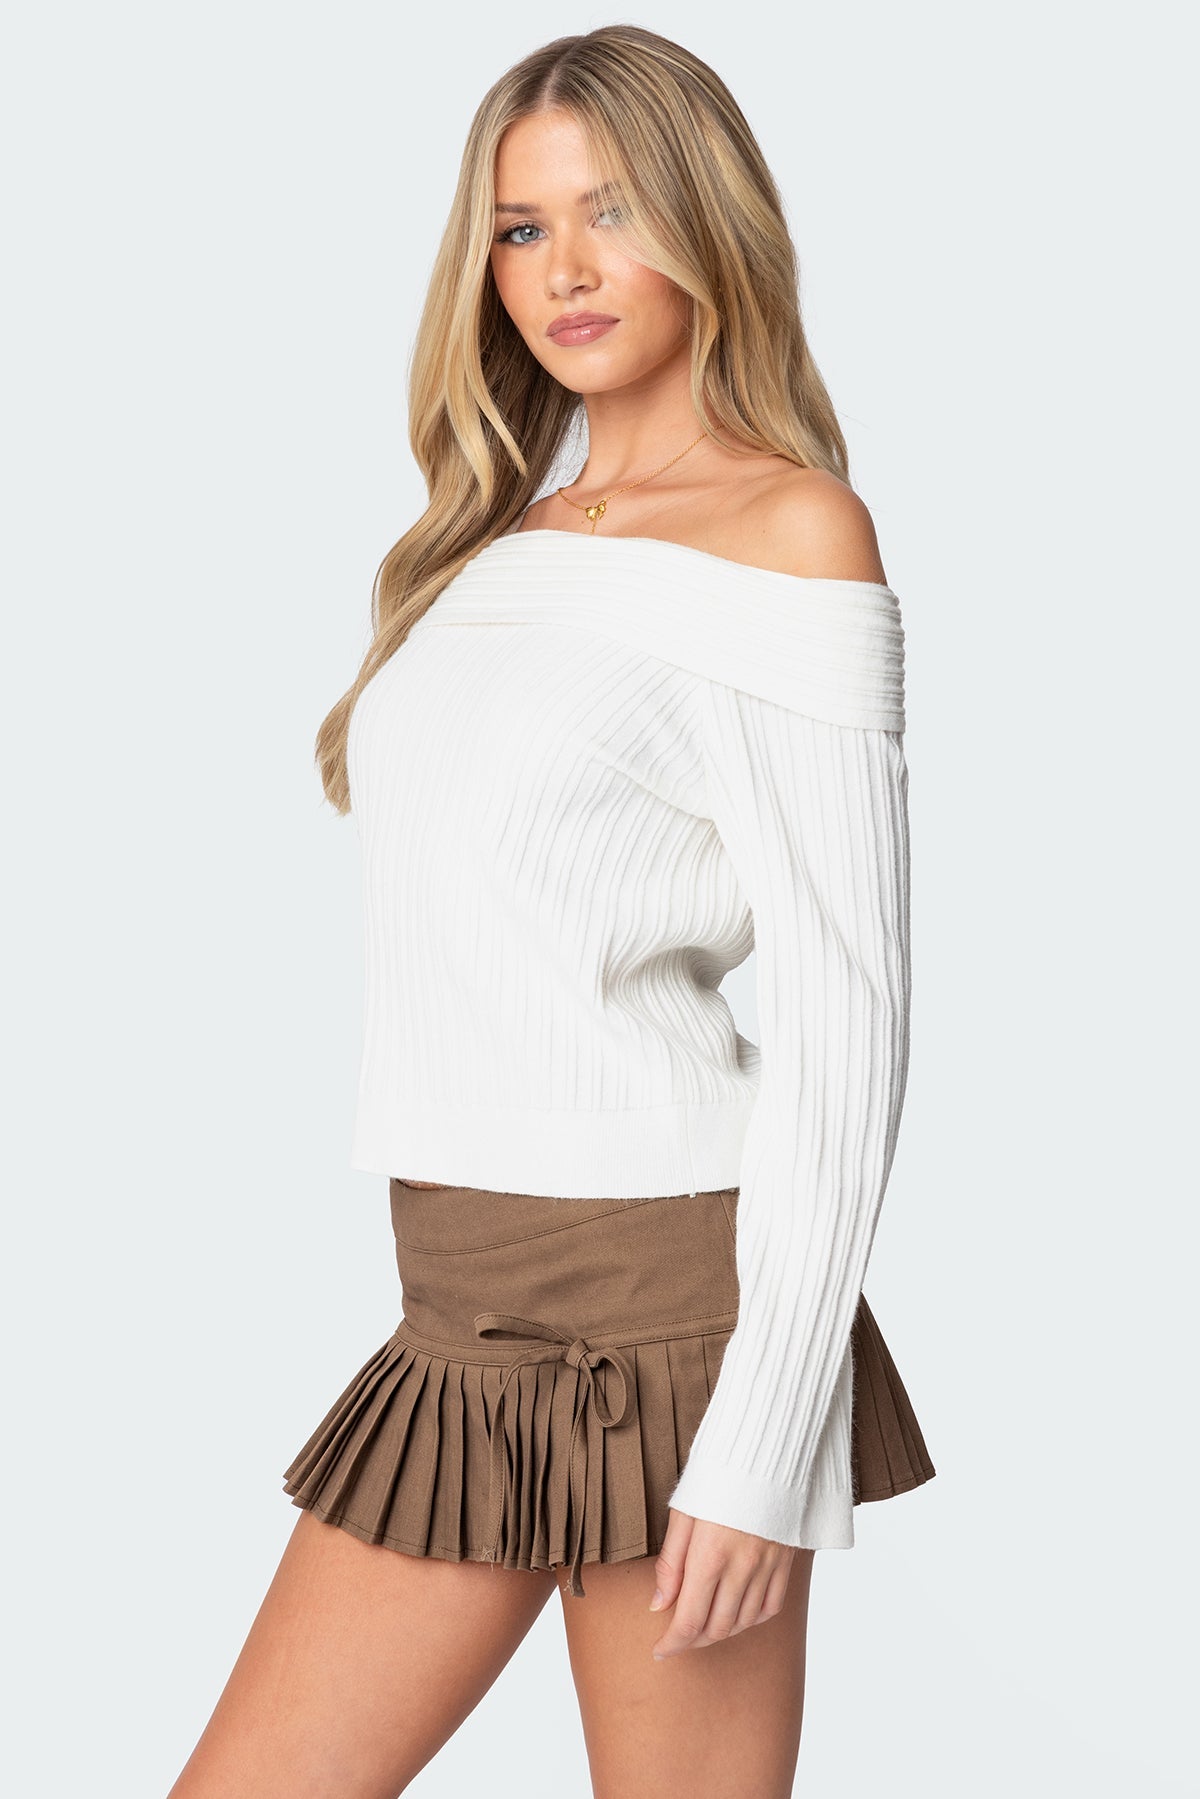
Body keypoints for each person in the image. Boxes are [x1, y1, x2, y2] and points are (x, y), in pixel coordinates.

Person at [168, 24, 935, 1799]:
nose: (566, 268)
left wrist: (765, 1438)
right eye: (521, 228)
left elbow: (849, 1018)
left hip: (665, 1315)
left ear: (711, 222)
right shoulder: (497, 545)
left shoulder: (793, 533)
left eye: (615, 211)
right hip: (461, 1298)